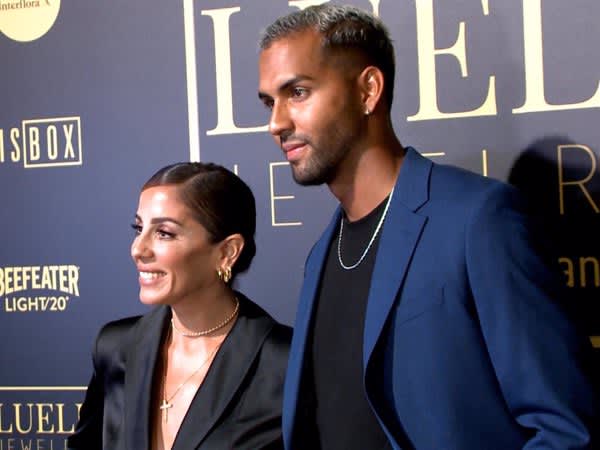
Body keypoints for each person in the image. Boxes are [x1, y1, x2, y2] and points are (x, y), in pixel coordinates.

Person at [257, 4, 598, 449]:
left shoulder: (478, 221)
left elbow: (564, 430)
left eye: (298, 92)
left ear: (368, 90)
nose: (276, 123)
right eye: (270, 102)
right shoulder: (322, 254)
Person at [67, 162, 291, 450]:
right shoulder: (116, 347)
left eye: (164, 233)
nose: (138, 249)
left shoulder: (284, 363)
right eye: (139, 228)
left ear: (227, 252)